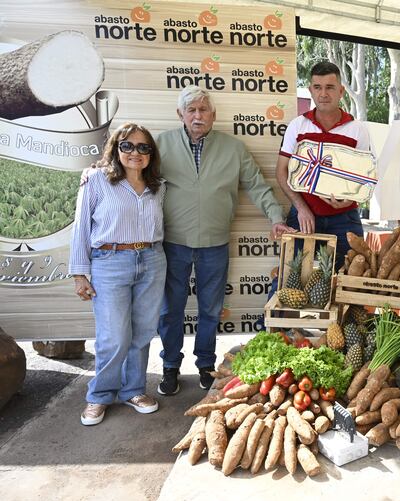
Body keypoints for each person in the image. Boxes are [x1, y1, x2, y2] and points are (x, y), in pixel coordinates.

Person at [156, 86, 294, 396]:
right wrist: (98, 172)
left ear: (213, 115)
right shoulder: (160, 144)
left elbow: (258, 186)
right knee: (170, 310)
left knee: (210, 309)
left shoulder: (234, 148)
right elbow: (131, 172)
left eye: (203, 109)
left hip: (215, 243)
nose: (198, 115)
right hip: (173, 243)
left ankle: (206, 364)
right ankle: (169, 367)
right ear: (180, 114)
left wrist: (276, 218)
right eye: (191, 110)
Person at [69, 122, 166, 426]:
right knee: (114, 336)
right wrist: (79, 273)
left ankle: (134, 390)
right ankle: (99, 395)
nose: (135, 152)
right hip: (110, 261)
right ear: (115, 148)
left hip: (152, 258)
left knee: (142, 331)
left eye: (142, 147)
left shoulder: (157, 186)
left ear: (150, 153)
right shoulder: (96, 179)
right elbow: (81, 226)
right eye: (127, 146)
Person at [275, 61, 373, 272]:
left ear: (341, 91)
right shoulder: (297, 126)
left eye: (329, 87)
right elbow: (281, 171)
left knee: (348, 283)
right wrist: (301, 208)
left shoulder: (357, 130)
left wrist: (350, 198)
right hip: (304, 215)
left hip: (345, 218)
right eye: (317, 87)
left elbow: (365, 177)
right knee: (293, 279)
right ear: (310, 90)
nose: (323, 94)